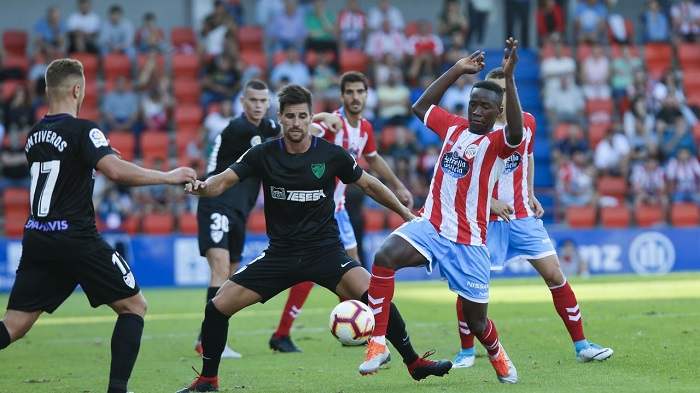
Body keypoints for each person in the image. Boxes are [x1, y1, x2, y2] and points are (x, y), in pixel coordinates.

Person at [177, 84, 452, 392]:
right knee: (216, 308)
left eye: (302, 116)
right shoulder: (262, 154)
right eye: (290, 116)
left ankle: (414, 363)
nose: (296, 122)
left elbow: (370, 185)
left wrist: (404, 212)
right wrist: (202, 188)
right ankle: (207, 381)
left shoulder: (331, 155)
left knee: (377, 295)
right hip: (280, 255)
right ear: (279, 118)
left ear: (311, 118)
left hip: (325, 252)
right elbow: (222, 181)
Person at [0, 58, 196, 393]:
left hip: (38, 237)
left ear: (47, 91)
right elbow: (115, 172)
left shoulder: (34, 134)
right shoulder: (83, 129)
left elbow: (64, 169)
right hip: (75, 238)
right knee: (134, 306)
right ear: (78, 90)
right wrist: (169, 175)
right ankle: (117, 390)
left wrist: (98, 154)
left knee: (14, 325)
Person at [359, 39, 522, 384]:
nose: (477, 111)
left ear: (496, 113)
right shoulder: (452, 127)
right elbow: (420, 106)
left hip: (469, 242)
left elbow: (517, 131)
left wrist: (508, 79)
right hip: (431, 226)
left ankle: (496, 352)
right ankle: (377, 343)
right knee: (385, 256)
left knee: (477, 324)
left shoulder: (496, 142)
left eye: (485, 107)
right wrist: (458, 69)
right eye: (473, 105)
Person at [450, 67, 613, 369]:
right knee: (469, 287)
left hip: (522, 216)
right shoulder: (473, 132)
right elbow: (458, 176)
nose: (503, 95)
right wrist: (489, 201)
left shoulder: (527, 123)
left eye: (507, 88)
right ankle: (466, 351)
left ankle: (582, 345)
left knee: (555, 274)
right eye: (498, 90)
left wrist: (530, 190)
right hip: (484, 219)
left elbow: (528, 155)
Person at [269, 71, 413, 352]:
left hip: (339, 210)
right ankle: (287, 333)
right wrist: (322, 117)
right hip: (317, 210)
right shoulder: (333, 125)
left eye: (360, 92)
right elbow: (297, 133)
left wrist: (397, 185)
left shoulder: (366, 129)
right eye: (350, 92)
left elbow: (372, 158)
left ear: (366, 96)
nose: (355, 97)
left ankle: (350, 327)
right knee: (337, 273)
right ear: (342, 95)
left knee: (351, 271)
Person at [194, 80, 282, 359]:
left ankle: (206, 338)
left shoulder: (264, 126)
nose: (257, 105)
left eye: (262, 101)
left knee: (229, 278)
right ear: (242, 103)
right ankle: (210, 344)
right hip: (216, 202)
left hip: (239, 210)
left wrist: (324, 119)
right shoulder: (240, 129)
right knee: (220, 271)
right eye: (252, 100)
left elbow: (292, 130)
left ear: (268, 104)